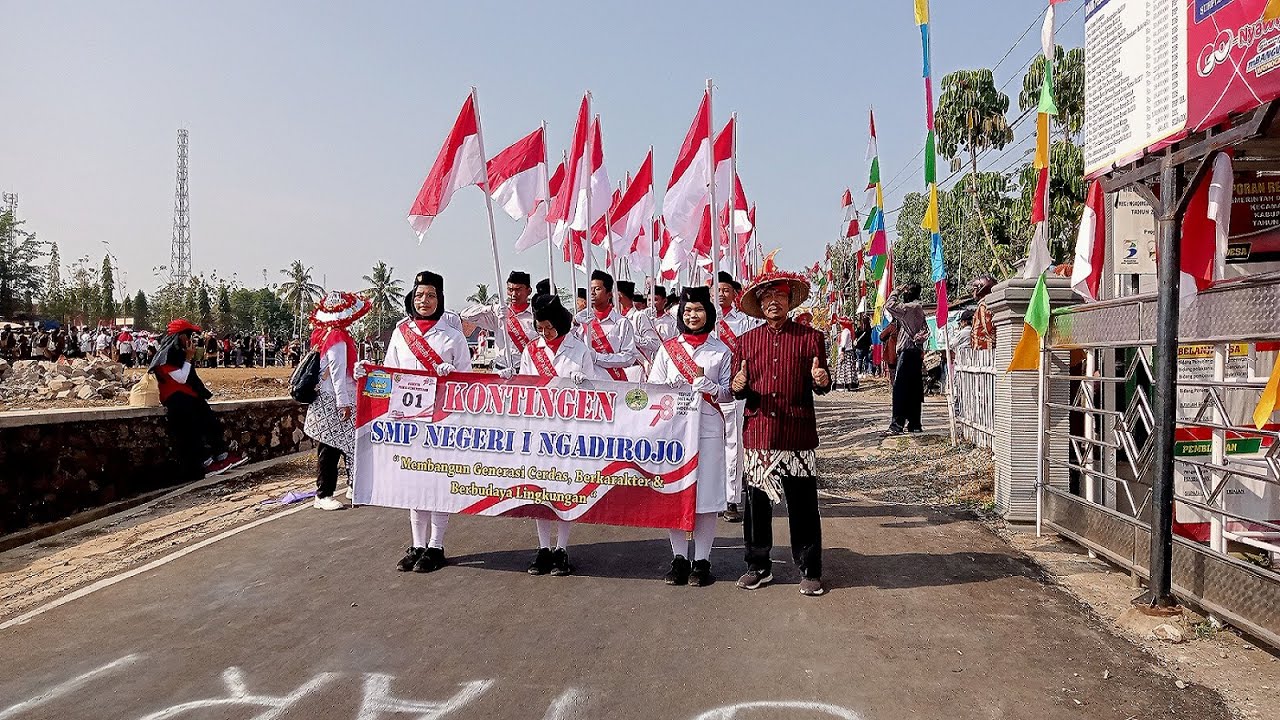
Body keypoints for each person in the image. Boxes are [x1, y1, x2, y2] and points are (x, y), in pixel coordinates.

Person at [360, 270, 472, 573]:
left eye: (431, 295)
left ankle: (436, 545)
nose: (425, 301)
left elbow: (469, 380)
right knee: (412, 481)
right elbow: (387, 374)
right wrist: (364, 376)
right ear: (413, 296)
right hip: (407, 421)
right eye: (420, 295)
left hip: (441, 421)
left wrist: (454, 376)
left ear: (440, 299)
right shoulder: (401, 332)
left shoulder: (453, 336)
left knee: (436, 481)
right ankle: (417, 544)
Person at [730, 269, 831, 597]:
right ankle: (758, 566)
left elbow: (823, 384)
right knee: (757, 505)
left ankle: (810, 568)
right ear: (759, 304)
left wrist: (821, 380)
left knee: (802, 505)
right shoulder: (745, 343)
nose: (774, 302)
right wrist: (739, 385)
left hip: (798, 435)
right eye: (767, 297)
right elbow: (737, 389)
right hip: (759, 435)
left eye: (780, 296)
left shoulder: (810, 338)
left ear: (789, 300)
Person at [507, 293, 598, 576]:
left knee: (563, 490)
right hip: (540, 430)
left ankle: (562, 549)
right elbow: (525, 388)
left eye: (550, 327)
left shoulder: (580, 350)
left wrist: (584, 385)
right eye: (540, 328)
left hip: (568, 430)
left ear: (561, 323)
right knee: (539, 492)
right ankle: (543, 548)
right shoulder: (531, 351)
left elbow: (593, 391)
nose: (545, 333)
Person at [648, 286, 733, 586]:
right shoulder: (667, 349)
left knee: (706, 498)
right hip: (673, 432)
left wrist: (711, 387)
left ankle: (703, 561)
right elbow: (652, 388)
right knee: (674, 493)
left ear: (707, 313)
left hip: (708, 429)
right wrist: (667, 387)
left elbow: (729, 392)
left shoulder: (720, 351)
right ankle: (679, 558)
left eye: (697, 310)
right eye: (687, 311)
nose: (692, 315)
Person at [150, 319, 246, 479]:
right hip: (177, 399)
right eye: (188, 334)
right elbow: (180, 378)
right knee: (191, 431)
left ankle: (221, 455)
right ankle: (207, 464)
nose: (190, 338)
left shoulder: (180, 352)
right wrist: (188, 358)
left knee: (210, 421)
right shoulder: (167, 355)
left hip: (189, 397)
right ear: (179, 336)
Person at [305, 291, 369, 511]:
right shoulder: (337, 338)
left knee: (345, 444)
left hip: (332, 398)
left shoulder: (325, 335)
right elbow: (337, 373)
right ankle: (324, 494)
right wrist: (343, 403)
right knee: (332, 447)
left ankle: (352, 486)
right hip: (334, 399)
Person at [715, 271, 762, 524]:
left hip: (736, 390)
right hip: (709, 392)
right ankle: (709, 495)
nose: (720, 294)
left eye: (725, 290)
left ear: (734, 294)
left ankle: (731, 499)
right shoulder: (704, 320)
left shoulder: (745, 322)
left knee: (734, 444)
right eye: (716, 289)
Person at [460, 270, 537, 374]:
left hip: (526, 372)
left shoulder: (536, 316)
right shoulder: (499, 315)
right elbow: (465, 315)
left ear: (529, 291)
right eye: (510, 290)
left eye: (518, 289)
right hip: (500, 370)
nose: (513, 294)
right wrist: (491, 308)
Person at [574, 269, 639, 381]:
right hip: (587, 382)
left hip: (613, 382)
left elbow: (629, 357)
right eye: (590, 289)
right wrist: (573, 324)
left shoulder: (622, 323)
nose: (592, 293)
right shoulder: (582, 322)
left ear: (609, 294)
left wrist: (597, 357)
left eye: (598, 289)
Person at [885, 282, 929, 434]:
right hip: (916, 353)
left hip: (907, 353)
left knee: (900, 390)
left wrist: (896, 290)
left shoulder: (909, 308)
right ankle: (914, 423)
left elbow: (889, 305)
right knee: (914, 390)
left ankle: (897, 425)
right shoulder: (920, 309)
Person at [969, 274, 996, 351]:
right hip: (982, 349)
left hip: (985, 349)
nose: (973, 293)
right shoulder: (985, 304)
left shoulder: (984, 306)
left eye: (974, 289)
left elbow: (989, 329)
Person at [834, 316, 858, 391]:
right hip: (849, 352)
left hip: (845, 352)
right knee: (849, 369)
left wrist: (841, 353)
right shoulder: (849, 331)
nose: (840, 325)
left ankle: (843, 386)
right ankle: (850, 385)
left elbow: (843, 344)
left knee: (843, 369)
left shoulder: (845, 332)